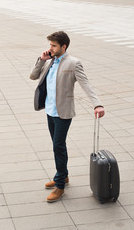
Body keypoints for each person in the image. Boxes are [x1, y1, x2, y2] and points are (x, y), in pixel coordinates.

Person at [30, 31, 105, 202]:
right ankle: (63, 176)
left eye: (53, 46)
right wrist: (41, 60)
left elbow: (86, 84)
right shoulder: (49, 61)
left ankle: (60, 186)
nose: (50, 48)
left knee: (58, 146)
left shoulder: (73, 63)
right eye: (50, 45)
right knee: (58, 145)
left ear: (63, 46)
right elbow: (33, 76)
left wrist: (97, 104)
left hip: (63, 112)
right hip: (49, 110)